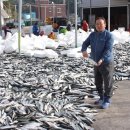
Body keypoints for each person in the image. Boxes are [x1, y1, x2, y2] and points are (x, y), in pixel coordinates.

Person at [81, 17, 114, 109]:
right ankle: (101, 97)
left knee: (108, 81)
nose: (98, 25)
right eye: (97, 24)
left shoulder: (109, 36)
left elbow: (108, 49)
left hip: (106, 62)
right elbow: (85, 43)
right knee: (98, 81)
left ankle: (107, 99)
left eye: (101, 23)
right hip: (95, 62)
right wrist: (84, 50)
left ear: (105, 25)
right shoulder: (92, 35)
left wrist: (102, 59)